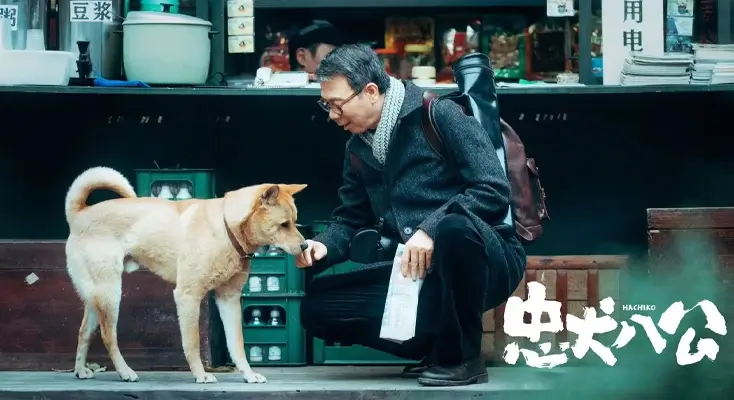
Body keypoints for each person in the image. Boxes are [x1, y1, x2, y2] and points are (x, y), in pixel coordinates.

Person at [296, 44, 526, 387]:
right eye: (325, 105)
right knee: (318, 309)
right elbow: (350, 218)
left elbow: (492, 190)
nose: (331, 114)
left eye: (336, 104)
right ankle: (437, 345)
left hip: (483, 258)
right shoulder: (358, 147)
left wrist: (429, 229)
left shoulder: (439, 114)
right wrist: (323, 247)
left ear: (371, 91)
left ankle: (463, 358)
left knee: (453, 228)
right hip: (414, 271)